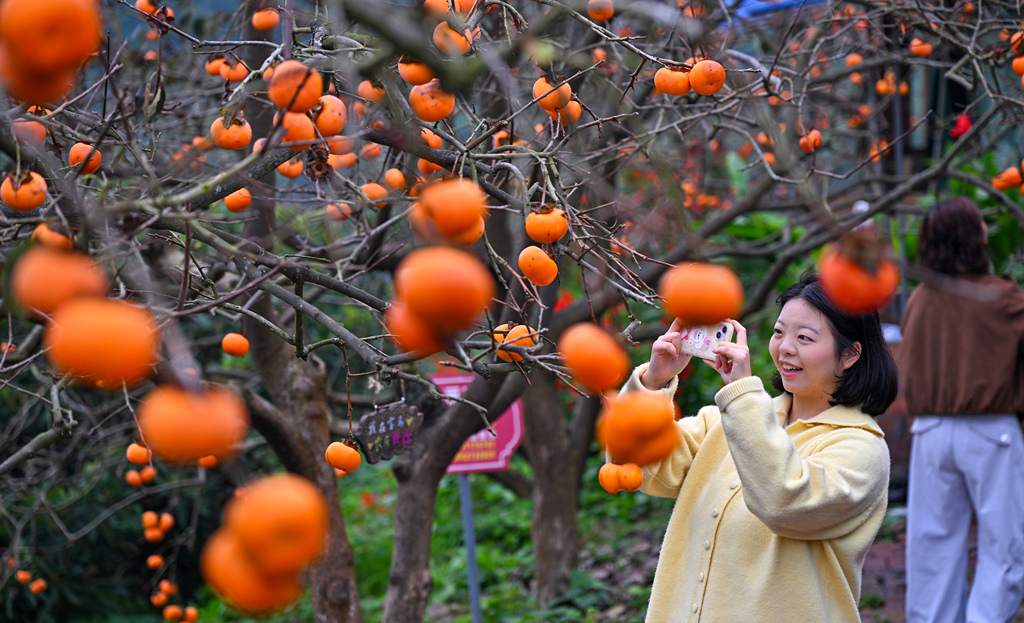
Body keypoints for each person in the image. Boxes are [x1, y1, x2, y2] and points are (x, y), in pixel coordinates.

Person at [623, 271, 898, 622]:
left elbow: (782, 503)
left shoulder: (861, 449)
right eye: (779, 332)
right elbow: (636, 464)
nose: (785, 347)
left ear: (849, 354)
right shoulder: (727, 422)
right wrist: (653, 382)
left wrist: (741, 397)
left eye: (804, 337)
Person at [899, 197, 1024, 623]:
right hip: (992, 430)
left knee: (931, 546)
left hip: (931, 431)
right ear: (974, 236)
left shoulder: (920, 299)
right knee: (1003, 546)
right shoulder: (1002, 297)